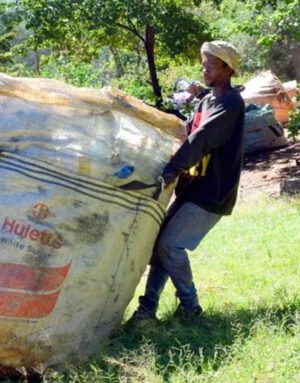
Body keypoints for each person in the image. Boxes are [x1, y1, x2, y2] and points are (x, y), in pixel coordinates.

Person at [132, 40, 245, 321]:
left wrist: (172, 168)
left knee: (170, 245)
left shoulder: (231, 103)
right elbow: (187, 131)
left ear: (227, 69)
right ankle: (147, 309)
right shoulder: (208, 100)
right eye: (203, 63)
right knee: (161, 245)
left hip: (212, 192)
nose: (204, 69)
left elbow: (201, 139)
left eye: (211, 64)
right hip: (192, 188)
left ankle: (190, 307)